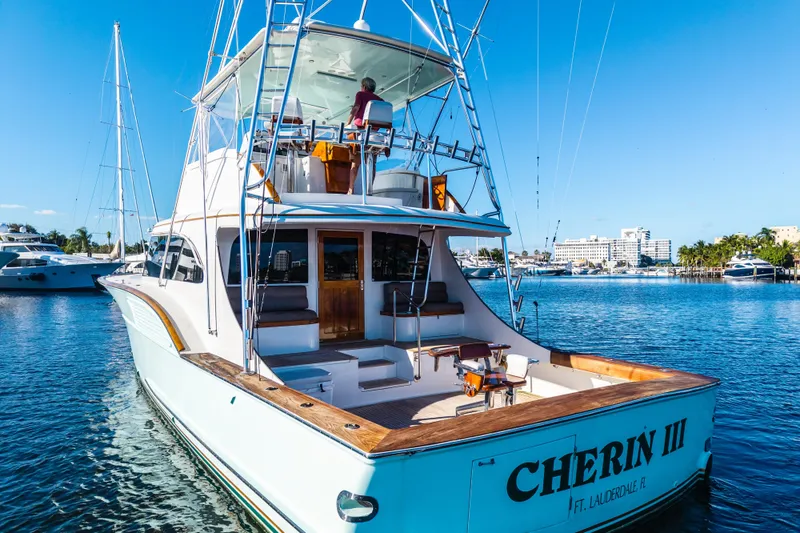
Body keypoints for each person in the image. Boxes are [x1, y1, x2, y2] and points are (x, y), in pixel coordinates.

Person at [346, 77, 383, 194]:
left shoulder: (360, 94)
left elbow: (356, 108)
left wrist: (347, 123)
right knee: (372, 164)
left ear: (364, 87)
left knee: (355, 163)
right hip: (374, 136)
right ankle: (369, 190)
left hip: (360, 133)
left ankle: (350, 190)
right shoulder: (380, 100)